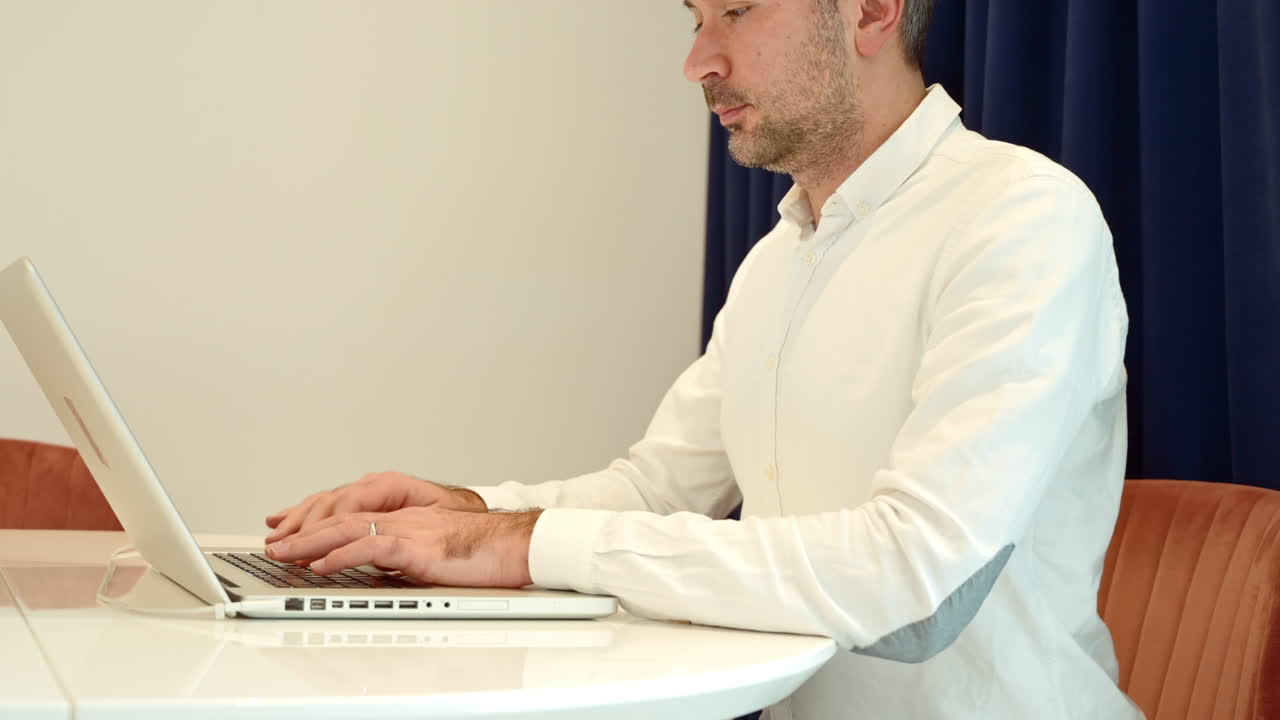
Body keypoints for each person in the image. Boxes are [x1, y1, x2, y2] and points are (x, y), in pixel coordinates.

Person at [264, 1, 1142, 717]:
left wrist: (519, 545)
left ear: (873, 12)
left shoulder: (1023, 221)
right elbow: (655, 490)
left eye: (737, 11)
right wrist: (462, 513)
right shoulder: (777, 258)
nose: (698, 63)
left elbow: (913, 587)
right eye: (695, 20)